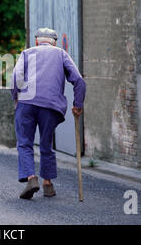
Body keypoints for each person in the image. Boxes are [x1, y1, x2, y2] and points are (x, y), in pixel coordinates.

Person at [11, 28, 86, 200]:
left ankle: (31, 178)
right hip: (50, 106)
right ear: (55, 42)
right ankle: (47, 184)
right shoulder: (61, 54)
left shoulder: (27, 53)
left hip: (26, 103)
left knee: (24, 143)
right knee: (47, 143)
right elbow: (79, 81)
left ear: (36, 41)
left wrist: (16, 96)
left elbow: (16, 76)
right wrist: (78, 104)